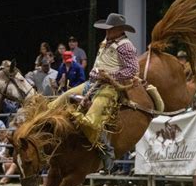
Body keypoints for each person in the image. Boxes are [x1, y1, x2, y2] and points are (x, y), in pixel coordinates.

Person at [50, 13, 138, 170]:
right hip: (92, 83)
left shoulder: (126, 46)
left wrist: (110, 76)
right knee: (62, 97)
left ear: (118, 29)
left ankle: (107, 150)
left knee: (92, 119)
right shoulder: (106, 41)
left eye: (110, 29)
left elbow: (132, 69)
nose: (106, 32)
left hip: (110, 88)